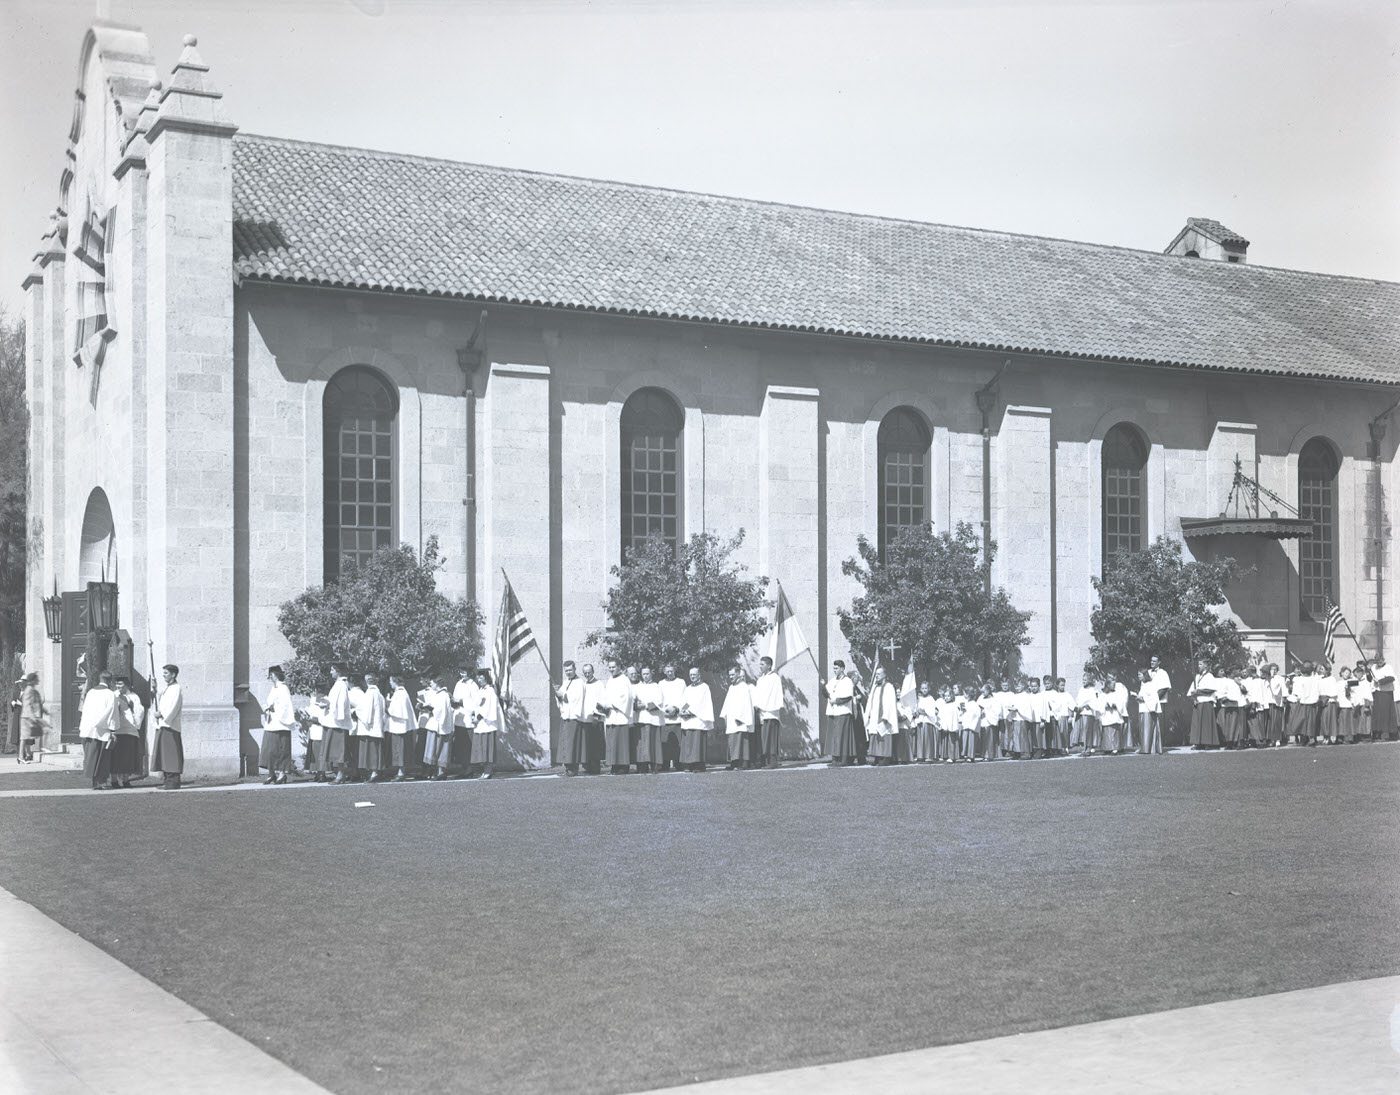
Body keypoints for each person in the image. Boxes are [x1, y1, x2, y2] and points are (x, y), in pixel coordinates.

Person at [78, 672, 118, 790]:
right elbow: (112, 712)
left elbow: (85, 710)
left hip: (89, 729)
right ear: (110, 681)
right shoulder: (110, 694)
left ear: (100, 679)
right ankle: (101, 781)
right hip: (102, 729)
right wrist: (113, 729)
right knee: (103, 757)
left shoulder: (90, 692)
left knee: (92, 756)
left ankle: (95, 782)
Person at [259, 665, 297, 784]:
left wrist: (274, 708)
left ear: (274, 675)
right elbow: (269, 702)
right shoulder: (274, 688)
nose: (270, 677)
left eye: (270, 675)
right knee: (269, 750)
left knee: (281, 749)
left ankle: (282, 774)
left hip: (281, 724)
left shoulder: (283, 688)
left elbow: (286, 705)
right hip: (271, 723)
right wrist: (267, 707)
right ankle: (271, 774)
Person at [150, 664, 184, 789]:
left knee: (171, 755)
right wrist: (155, 688)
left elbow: (173, 706)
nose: (163, 675)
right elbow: (160, 700)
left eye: (166, 673)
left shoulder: (176, 688)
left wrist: (162, 714)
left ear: (173, 674)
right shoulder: (168, 689)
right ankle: (167, 781)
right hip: (163, 725)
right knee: (164, 755)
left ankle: (173, 782)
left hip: (170, 726)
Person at [110, 677, 145, 788]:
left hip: (129, 730)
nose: (118, 686)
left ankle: (126, 780)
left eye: (120, 684)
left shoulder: (134, 697)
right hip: (117, 729)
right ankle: (114, 780)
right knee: (115, 757)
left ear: (127, 685)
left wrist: (136, 725)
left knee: (127, 757)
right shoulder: (113, 695)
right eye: (116, 684)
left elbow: (140, 712)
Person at [822, 660, 857, 766]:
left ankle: (843, 759)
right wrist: (822, 686)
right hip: (833, 712)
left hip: (843, 712)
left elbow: (848, 697)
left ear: (842, 669)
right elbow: (826, 694)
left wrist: (836, 701)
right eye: (834, 668)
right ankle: (835, 758)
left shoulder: (847, 681)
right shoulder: (832, 681)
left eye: (836, 668)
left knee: (842, 736)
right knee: (834, 736)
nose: (834, 670)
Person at [602, 659, 633, 775]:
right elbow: (606, 696)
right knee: (612, 742)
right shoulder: (610, 680)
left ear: (619, 667)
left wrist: (612, 704)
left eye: (613, 667)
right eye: (609, 667)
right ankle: (614, 765)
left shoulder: (624, 680)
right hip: (610, 715)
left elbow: (626, 697)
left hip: (620, 715)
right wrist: (603, 705)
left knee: (621, 742)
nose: (611, 669)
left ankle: (623, 766)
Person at [555, 661, 587, 776]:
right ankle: (568, 768)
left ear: (574, 669)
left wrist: (562, 696)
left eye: (570, 670)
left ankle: (573, 768)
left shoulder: (579, 683)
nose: (568, 672)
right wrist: (557, 692)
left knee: (572, 743)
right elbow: (561, 697)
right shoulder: (566, 682)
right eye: (566, 671)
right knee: (565, 743)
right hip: (565, 716)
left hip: (573, 716)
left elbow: (576, 699)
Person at [353, 672, 387, 781]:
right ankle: (375, 772)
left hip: (370, 727)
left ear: (367, 682)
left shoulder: (370, 693)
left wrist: (355, 712)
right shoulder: (379, 693)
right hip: (376, 726)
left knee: (372, 751)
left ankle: (374, 773)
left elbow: (365, 711)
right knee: (375, 750)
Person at [720, 666, 756, 769]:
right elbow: (727, 703)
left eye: (732, 674)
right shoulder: (732, 687)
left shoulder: (744, 687)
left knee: (742, 741)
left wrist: (741, 717)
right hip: (731, 719)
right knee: (733, 741)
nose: (730, 676)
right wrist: (724, 714)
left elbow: (746, 704)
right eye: (729, 675)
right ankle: (734, 762)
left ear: (738, 674)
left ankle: (743, 763)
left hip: (740, 720)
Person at [679, 667, 713, 772]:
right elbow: (686, 701)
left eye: (694, 674)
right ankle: (689, 765)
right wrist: (683, 710)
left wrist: (691, 711)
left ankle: (699, 765)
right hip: (688, 720)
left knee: (697, 743)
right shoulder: (688, 688)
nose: (692, 677)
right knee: (688, 743)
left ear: (699, 675)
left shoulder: (704, 687)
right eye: (691, 675)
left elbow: (702, 703)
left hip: (698, 719)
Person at [324, 666, 354, 783]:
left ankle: (341, 775)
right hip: (335, 721)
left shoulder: (341, 685)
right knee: (336, 751)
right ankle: (339, 774)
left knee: (340, 751)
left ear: (338, 671)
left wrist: (340, 717)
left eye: (332, 670)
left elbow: (341, 702)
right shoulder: (338, 684)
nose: (330, 672)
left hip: (338, 722)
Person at [864, 667, 899, 765]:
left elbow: (890, 703)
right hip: (875, 715)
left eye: (879, 674)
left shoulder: (889, 687)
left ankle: (885, 757)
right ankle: (877, 756)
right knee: (875, 734)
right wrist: (868, 714)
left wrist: (886, 715)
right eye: (876, 674)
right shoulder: (874, 687)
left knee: (884, 734)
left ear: (884, 675)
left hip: (884, 716)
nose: (877, 675)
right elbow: (870, 702)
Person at [753, 656, 784, 769]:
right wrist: (756, 705)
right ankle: (763, 761)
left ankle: (772, 761)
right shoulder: (760, 679)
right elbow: (758, 695)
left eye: (762, 664)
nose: (760, 666)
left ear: (769, 665)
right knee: (763, 738)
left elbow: (773, 695)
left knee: (770, 738)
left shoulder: (774, 678)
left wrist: (762, 705)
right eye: (760, 664)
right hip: (761, 713)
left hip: (770, 712)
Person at [421, 675, 454, 779]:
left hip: (440, 726)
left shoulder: (443, 695)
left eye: (432, 683)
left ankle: (441, 772)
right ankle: (436, 771)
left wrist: (431, 710)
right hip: (435, 724)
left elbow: (441, 711)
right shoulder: (438, 694)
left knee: (441, 748)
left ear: (437, 684)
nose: (430, 684)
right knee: (435, 749)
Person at [471, 668, 501, 778]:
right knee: (481, 748)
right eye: (477, 677)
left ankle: (488, 770)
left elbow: (488, 707)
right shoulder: (480, 690)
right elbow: (477, 705)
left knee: (487, 748)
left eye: (481, 677)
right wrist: (473, 715)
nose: (479, 679)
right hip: (479, 724)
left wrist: (478, 718)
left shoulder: (490, 691)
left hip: (487, 723)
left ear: (486, 678)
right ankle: (484, 770)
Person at [634, 666, 664, 773]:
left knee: (653, 742)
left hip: (653, 718)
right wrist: (636, 705)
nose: (645, 676)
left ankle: (654, 765)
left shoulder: (656, 686)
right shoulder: (638, 687)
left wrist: (645, 705)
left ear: (651, 674)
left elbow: (659, 701)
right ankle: (642, 766)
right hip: (641, 718)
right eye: (643, 674)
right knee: (643, 744)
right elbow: (634, 700)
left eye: (647, 674)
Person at [386, 674, 416, 780]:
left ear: (395, 681)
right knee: (400, 749)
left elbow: (395, 711)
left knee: (400, 750)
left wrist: (387, 705)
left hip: (400, 726)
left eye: (391, 681)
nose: (390, 683)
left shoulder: (400, 693)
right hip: (400, 726)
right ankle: (400, 771)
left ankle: (401, 772)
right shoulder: (402, 692)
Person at [580, 663, 608, 775]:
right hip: (585, 719)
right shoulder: (583, 685)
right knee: (587, 745)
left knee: (596, 745)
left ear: (593, 671)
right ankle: (587, 767)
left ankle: (595, 768)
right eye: (585, 673)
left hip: (595, 718)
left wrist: (597, 716)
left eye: (589, 672)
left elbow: (603, 700)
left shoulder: (599, 684)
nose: (587, 674)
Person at [1187, 659, 1221, 748]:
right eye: (1198, 664)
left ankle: (1208, 743)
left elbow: (1211, 689)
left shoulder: (1209, 676)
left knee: (1206, 723)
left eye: (1200, 664)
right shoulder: (1197, 677)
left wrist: (1198, 692)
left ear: (1206, 666)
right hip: (1198, 702)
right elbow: (1191, 691)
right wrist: (1193, 697)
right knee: (1197, 723)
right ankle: (1198, 743)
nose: (1198, 666)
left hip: (1206, 702)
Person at [658, 664, 687, 771]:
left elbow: (686, 699)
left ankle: (678, 763)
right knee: (665, 742)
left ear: (675, 671)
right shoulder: (661, 684)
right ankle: (665, 764)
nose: (670, 673)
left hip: (678, 717)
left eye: (671, 671)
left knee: (677, 743)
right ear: (664, 672)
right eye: (667, 671)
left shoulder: (681, 682)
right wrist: (665, 709)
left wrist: (677, 709)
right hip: (665, 717)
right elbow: (659, 699)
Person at [452, 667, 480, 773]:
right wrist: (453, 702)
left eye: (464, 672)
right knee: (459, 745)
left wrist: (462, 702)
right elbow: (455, 697)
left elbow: (476, 704)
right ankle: (463, 768)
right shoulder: (458, 684)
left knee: (467, 745)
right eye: (461, 672)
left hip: (467, 719)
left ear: (469, 673)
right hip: (458, 718)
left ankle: (469, 769)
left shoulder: (473, 686)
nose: (462, 674)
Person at [1287, 662, 1321, 746]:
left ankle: (1309, 738)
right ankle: (1307, 738)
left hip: (1303, 702)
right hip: (1311, 703)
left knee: (1303, 720)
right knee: (1310, 721)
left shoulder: (1299, 680)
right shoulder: (1315, 679)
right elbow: (1317, 691)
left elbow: (1296, 692)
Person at [1097, 672, 1129, 753]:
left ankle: (1115, 748)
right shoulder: (1103, 694)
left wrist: (1116, 706)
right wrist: (1105, 706)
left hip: (1115, 714)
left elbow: (1121, 702)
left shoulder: (1117, 694)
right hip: (1107, 714)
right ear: (1108, 685)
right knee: (1107, 731)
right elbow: (1100, 703)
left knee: (1115, 732)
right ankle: (1107, 748)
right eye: (1112, 685)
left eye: (1114, 685)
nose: (1114, 686)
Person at [1214, 668, 1246, 749]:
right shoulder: (1226, 681)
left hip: (1239, 705)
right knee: (1230, 725)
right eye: (1236, 671)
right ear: (1231, 673)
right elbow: (1221, 692)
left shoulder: (1239, 681)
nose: (1239, 673)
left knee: (1239, 725)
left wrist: (1240, 684)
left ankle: (1239, 742)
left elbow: (1245, 692)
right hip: (1229, 705)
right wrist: (1225, 699)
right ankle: (1230, 742)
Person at [17, 672, 43, 763]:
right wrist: (33, 717)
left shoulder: (31, 689)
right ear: (32, 680)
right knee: (24, 738)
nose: (38, 681)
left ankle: (23, 755)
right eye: (36, 679)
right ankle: (21, 757)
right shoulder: (29, 690)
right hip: (26, 717)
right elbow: (27, 705)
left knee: (26, 737)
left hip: (27, 716)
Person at [1136, 670, 1163, 755]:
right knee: (1143, 730)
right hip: (1143, 709)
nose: (1138, 676)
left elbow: (1153, 698)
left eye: (1140, 674)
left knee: (1147, 729)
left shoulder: (1150, 685)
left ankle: (1147, 749)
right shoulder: (1143, 685)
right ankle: (1144, 748)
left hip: (1148, 710)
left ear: (1145, 675)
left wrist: (1143, 699)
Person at [1368, 659, 1396, 740]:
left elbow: (1391, 678)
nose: (1379, 663)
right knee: (1377, 713)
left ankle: (1385, 733)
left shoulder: (1388, 667)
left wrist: (1380, 681)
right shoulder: (1374, 667)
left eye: (1380, 661)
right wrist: (1368, 670)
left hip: (1385, 693)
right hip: (1376, 692)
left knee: (1385, 713)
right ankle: (1377, 732)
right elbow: (1370, 679)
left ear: (1383, 660)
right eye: (1377, 661)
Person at [1075, 673, 1100, 755]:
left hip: (1089, 713)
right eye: (1083, 680)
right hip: (1082, 712)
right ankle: (1084, 747)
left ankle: (1088, 748)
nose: (1083, 681)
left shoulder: (1092, 690)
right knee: (1083, 731)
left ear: (1089, 681)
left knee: (1088, 731)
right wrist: (1078, 707)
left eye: (1085, 680)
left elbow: (1095, 702)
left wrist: (1089, 705)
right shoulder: (1081, 689)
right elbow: (1078, 700)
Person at [307, 691, 330, 781]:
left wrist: (313, 719)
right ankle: (317, 773)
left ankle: (322, 774)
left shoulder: (325, 702)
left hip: (320, 731)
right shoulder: (314, 702)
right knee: (315, 753)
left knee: (320, 753)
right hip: (314, 731)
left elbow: (323, 718)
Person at [934, 684, 959, 763]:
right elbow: (941, 716)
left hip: (951, 727)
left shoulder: (953, 706)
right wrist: (940, 725)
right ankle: (945, 755)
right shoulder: (943, 706)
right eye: (945, 696)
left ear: (951, 696)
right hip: (944, 727)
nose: (946, 698)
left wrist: (953, 727)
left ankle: (952, 756)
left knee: (951, 742)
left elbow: (954, 718)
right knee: (944, 741)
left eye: (948, 696)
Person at [913, 681, 937, 762]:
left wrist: (924, 711)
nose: (924, 690)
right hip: (920, 721)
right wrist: (916, 712)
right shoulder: (919, 699)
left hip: (927, 721)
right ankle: (920, 755)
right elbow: (916, 708)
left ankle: (928, 755)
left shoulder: (931, 699)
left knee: (927, 739)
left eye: (926, 688)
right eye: (922, 688)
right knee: (920, 739)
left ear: (929, 689)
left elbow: (931, 711)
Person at [977, 682, 1001, 761]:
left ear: (988, 691)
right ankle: (984, 754)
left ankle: (989, 755)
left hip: (989, 721)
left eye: (984, 692)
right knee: (984, 739)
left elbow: (997, 710)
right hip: (983, 721)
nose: (982, 693)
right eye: (982, 692)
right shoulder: (981, 698)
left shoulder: (994, 699)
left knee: (989, 739)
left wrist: (986, 709)